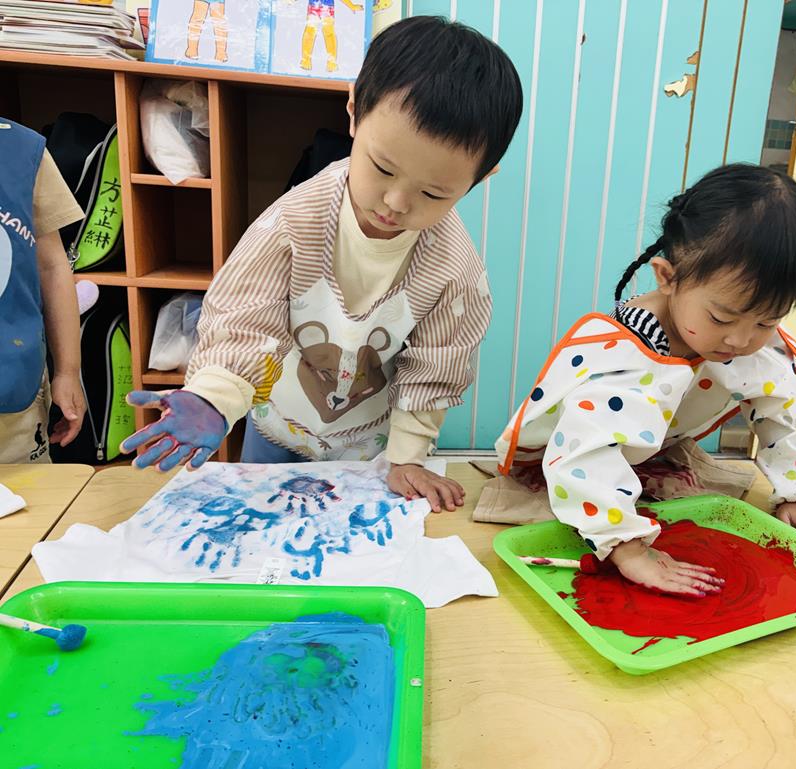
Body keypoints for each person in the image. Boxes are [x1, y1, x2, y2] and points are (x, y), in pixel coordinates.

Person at [121, 15, 523, 514]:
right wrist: (214, 397)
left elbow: (437, 363)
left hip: (372, 441)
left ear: (481, 178)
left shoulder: (453, 267)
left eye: (434, 193)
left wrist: (408, 457)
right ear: (353, 112)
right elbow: (247, 318)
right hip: (277, 420)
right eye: (382, 168)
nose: (396, 202)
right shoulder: (294, 222)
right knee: (262, 524)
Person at [496, 164, 796, 594]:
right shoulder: (628, 355)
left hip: (645, 453)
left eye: (767, 321)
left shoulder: (738, 336)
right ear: (668, 277)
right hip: (559, 460)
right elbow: (581, 453)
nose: (741, 340)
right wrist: (627, 548)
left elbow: (780, 403)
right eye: (721, 318)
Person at [0, 118, 86, 463]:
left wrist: (68, 371)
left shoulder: (22, 148)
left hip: (14, 386)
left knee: (28, 491)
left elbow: (52, 266)